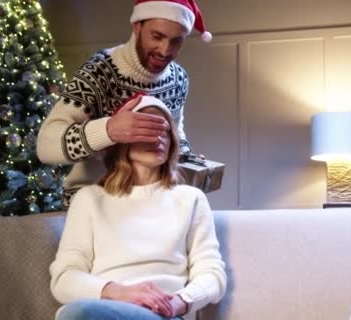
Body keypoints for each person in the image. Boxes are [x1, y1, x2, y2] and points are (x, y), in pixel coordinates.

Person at [49, 95, 226, 320]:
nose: (157, 138)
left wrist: (179, 302)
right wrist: (121, 292)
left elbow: (212, 274)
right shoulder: (89, 199)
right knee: (76, 313)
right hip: (105, 312)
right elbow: (64, 278)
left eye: (163, 131)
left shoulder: (190, 199)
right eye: (146, 129)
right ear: (122, 140)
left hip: (166, 315)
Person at [37, 0, 213, 206]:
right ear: (137, 26)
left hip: (148, 197)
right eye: (157, 36)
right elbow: (46, 146)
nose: (165, 51)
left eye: (176, 41)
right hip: (93, 198)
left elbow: (175, 129)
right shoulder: (99, 71)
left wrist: (184, 153)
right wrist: (110, 130)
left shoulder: (178, 78)